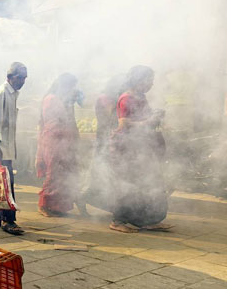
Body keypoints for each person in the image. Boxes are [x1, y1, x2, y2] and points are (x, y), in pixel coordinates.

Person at [109, 65, 171, 233]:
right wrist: (148, 122)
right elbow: (124, 124)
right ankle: (118, 220)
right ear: (138, 80)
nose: (151, 84)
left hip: (141, 146)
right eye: (148, 80)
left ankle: (146, 220)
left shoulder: (141, 96)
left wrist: (157, 118)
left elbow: (146, 117)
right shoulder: (126, 98)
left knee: (145, 182)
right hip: (127, 148)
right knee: (127, 183)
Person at [0, 62, 28, 235]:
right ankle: (8, 220)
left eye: (25, 78)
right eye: (20, 78)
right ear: (10, 77)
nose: (23, 81)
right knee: (6, 183)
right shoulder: (2, 93)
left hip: (5, 147)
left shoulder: (12, 94)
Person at [36, 73, 80, 217]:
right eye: (71, 86)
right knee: (54, 173)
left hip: (64, 140)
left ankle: (57, 207)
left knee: (64, 173)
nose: (73, 89)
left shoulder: (63, 100)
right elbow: (56, 121)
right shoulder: (52, 99)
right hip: (54, 139)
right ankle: (44, 205)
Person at [82, 75, 125, 212]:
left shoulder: (112, 97)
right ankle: (83, 197)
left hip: (111, 138)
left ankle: (85, 197)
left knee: (105, 174)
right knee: (104, 173)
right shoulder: (105, 98)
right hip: (106, 139)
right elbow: (113, 116)